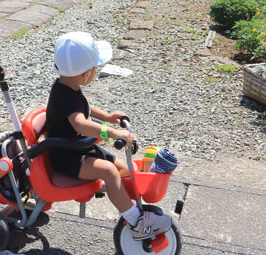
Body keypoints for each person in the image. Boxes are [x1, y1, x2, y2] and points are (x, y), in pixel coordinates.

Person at [43, 31, 173, 239]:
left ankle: (130, 207)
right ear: (85, 72)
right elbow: (80, 124)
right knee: (110, 172)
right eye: (95, 69)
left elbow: (85, 108)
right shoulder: (64, 97)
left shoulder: (68, 86)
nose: (95, 72)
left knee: (123, 168)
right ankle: (136, 222)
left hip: (81, 149)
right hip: (67, 158)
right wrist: (111, 132)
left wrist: (108, 117)